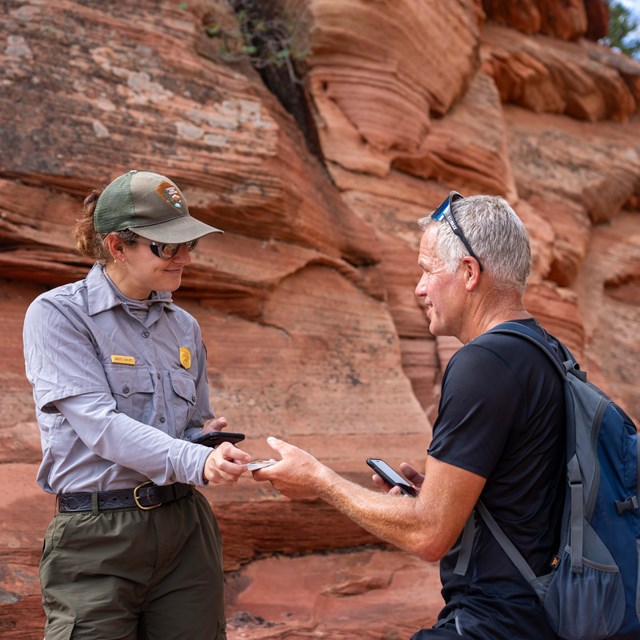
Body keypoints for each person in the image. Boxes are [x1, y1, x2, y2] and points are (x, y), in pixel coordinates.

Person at [254, 192, 565, 639]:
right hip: (550, 613)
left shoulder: (484, 364)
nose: (419, 288)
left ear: (470, 273)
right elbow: (528, 492)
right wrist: (437, 493)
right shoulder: (548, 353)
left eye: (427, 270)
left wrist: (319, 480)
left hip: (493, 623)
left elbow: (429, 534)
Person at [23, 169, 252, 640]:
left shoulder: (184, 327)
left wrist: (206, 441)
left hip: (185, 531)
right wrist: (196, 458)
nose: (184, 257)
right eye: (166, 246)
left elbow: (189, 425)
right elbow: (100, 427)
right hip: (96, 537)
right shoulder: (58, 315)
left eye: (188, 243)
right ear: (116, 247)